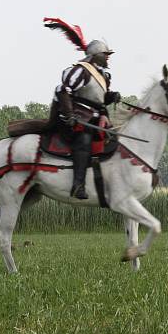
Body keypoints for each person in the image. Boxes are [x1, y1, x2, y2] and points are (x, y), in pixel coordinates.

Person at [44, 18, 122, 200]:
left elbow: (98, 101)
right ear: (95, 55)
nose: (108, 57)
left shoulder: (103, 76)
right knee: (84, 140)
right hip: (73, 120)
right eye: (106, 54)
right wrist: (70, 115)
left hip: (92, 119)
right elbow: (64, 90)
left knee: (114, 139)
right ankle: (78, 185)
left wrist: (112, 96)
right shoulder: (82, 70)